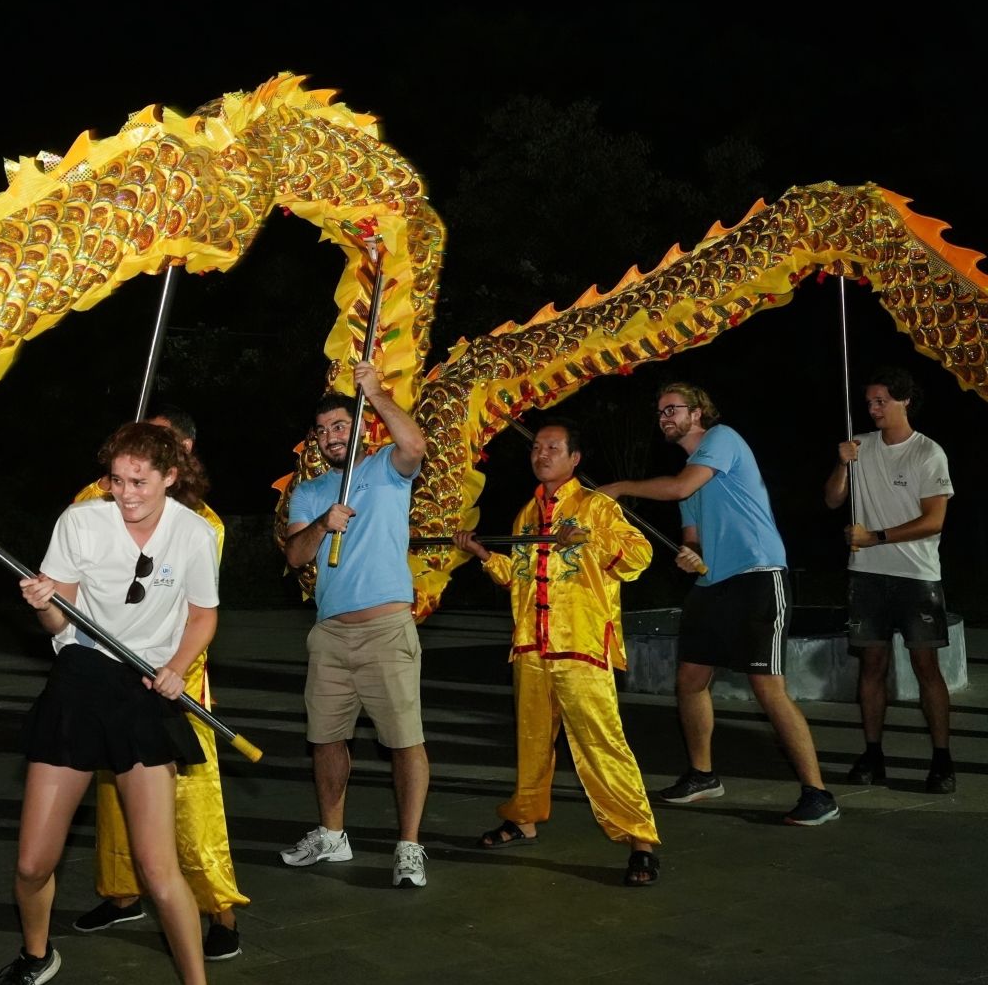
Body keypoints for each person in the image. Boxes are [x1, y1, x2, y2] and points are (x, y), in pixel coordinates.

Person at [0, 421, 225, 985]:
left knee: (157, 868)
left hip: (144, 691)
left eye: (139, 482)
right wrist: (44, 601)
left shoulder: (195, 534)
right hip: (79, 681)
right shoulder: (81, 522)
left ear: (170, 476)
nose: (125, 494)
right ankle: (36, 956)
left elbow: (203, 616)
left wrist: (177, 668)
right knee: (32, 863)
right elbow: (57, 622)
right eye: (117, 481)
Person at [601, 382, 839, 826]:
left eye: (673, 409)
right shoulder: (691, 471)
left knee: (767, 687)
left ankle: (818, 793)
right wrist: (691, 555)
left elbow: (678, 488)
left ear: (698, 412)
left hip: (758, 576)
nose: (665, 418)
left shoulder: (721, 439)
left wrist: (619, 487)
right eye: (660, 412)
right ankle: (702, 775)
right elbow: (692, 533)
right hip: (713, 584)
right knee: (690, 680)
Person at [70, 407, 248, 962]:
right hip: (113, 675)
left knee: (190, 801)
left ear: (181, 457)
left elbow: (194, 610)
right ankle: (122, 894)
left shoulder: (204, 524)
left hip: (176, 679)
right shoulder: (106, 503)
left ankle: (219, 911)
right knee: (112, 787)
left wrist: (171, 668)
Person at [453, 416, 661, 886]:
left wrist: (589, 537)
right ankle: (524, 819)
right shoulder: (527, 514)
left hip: (580, 646)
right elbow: (519, 578)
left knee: (603, 744)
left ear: (574, 458)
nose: (541, 454)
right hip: (532, 646)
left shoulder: (597, 506)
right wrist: (483, 555)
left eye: (552, 448)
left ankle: (639, 839)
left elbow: (639, 556)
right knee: (530, 740)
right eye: (536, 448)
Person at [280, 361, 431, 888]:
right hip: (330, 634)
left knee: (404, 740)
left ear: (361, 426)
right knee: (325, 738)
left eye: (340, 426)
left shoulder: (387, 466)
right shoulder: (310, 491)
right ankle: (332, 834)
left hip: (386, 628)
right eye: (322, 431)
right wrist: (325, 522)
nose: (331, 437)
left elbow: (416, 445)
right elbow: (296, 554)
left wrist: (378, 393)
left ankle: (409, 846)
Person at [822, 366, 956, 793]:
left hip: (916, 575)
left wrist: (875, 536)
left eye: (881, 401)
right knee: (872, 665)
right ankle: (872, 753)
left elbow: (934, 521)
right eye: (869, 403)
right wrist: (842, 464)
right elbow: (833, 500)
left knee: (925, 666)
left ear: (905, 401)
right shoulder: (859, 445)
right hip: (866, 574)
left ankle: (941, 759)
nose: (873, 409)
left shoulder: (928, 453)